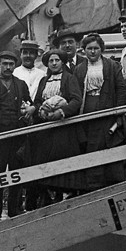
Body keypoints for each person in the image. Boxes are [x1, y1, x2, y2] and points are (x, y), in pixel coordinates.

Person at [0, 51, 36, 221]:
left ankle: (14, 208)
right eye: (5, 64)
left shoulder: (21, 84)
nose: (8, 67)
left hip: (17, 135)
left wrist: (27, 115)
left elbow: (28, 104)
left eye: (11, 64)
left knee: (16, 172)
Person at [72, 33, 126, 188]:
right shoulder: (79, 69)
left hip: (107, 109)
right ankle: (92, 184)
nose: (92, 52)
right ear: (84, 50)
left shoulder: (112, 66)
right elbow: (75, 93)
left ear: (101, 49)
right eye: (89, 49)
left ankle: (111, 182)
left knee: (108, 142)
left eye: (96, 48)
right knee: (89, 145)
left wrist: (118, 111)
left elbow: (121, 88)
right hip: (86, 111)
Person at [27, 49, 84, 207]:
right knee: (45, 159)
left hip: (63, 129)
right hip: (46, 129)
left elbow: (76, 100)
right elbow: (38, 101)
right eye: (51, 61)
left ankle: (64, 193)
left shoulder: (69, 78)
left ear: (62, 62)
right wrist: (41, 111)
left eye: (57, 60)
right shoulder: (44, 81)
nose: (54, 63)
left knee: (61, 159)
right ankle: (49, 195)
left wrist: (61, 112)